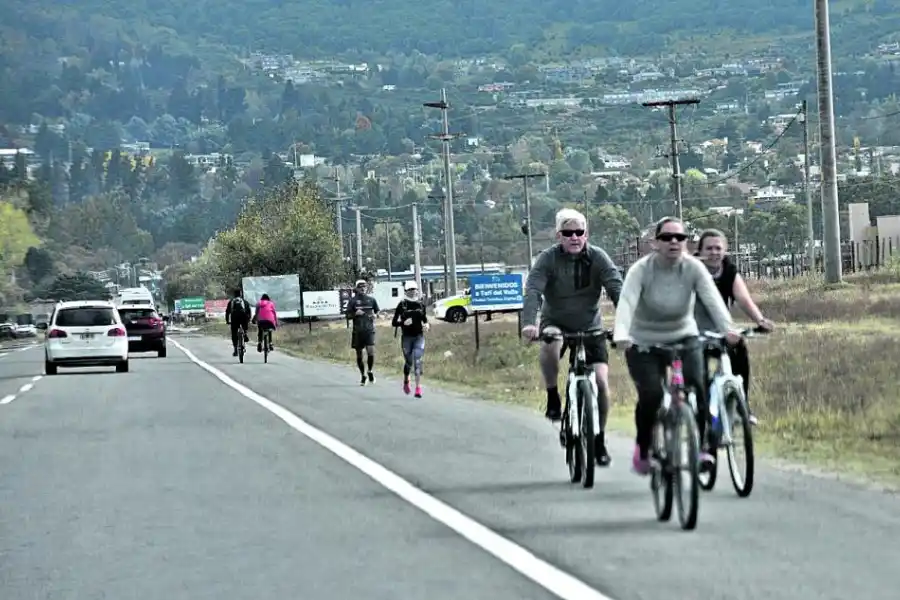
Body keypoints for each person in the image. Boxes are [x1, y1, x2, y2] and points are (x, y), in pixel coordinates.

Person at [612, 216, 741, 476]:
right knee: (652, 395)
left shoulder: (693, 268)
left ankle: (704, 447)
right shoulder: (641, 270)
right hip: (644, 341)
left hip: (684, 336)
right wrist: (621, 334)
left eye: (679, 237)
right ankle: (645, 446)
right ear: (655, 243)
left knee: (698, 385)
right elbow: (626, 302)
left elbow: (713, 299)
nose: (674, 242)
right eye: (667, 237)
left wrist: (728, 329)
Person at [522, 208, 623, 467]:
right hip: (556, 322)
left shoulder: (598, 257)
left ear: (586, 234)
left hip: (591, 326)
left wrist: (626, 321)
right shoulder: (548, 259)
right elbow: (533, 290)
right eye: (568, 233)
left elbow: (615, 287)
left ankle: (598, 440)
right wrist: (529, 324)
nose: (574, 237)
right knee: (550, 341)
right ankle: (553, 395)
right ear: (559, 236)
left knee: (601, 381)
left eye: (579, 232)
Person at [694, 229, 775, 426]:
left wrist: (760, 320)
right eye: (709, 248)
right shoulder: (692, 269)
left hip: (721, 328)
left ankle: (741, 405)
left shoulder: (729, 270)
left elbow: (744, 299)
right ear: (700, 251)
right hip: (694, 330)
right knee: (699, 372)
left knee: (739, 348)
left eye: (718, 248)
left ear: (726, 250)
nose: (714, 252)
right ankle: (701, 411)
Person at [392, 281, 429, 398]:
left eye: (415, 289)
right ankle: (406, 381)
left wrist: (427, 325)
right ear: (406, 291)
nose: (413, 291)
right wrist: (403, 322)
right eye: (411, 289)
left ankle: (418, 388)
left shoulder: (420, 304)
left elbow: (425, 319)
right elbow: (394, 322)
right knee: (409, 362)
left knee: (417, 360)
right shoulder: (402, 305)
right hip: (407, 337)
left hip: (419, 336)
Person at [345, 279, 380, 386]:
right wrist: (355, 313)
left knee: (370, 351)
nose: (363, 288)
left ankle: (370, 371)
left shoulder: (371, 300)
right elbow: (347, 316)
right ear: (356, 288)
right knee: (359, 354)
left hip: (369, 330)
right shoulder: (353, 301)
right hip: (358, 331)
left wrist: (376, 315)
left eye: (364, 286)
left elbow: (377, 311)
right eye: (360, 287)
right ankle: (363, 375)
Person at [224, 288, 251, 357]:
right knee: (245, 324)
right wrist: (248, 320)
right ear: (241, 294)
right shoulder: (244, 301)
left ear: (234, 295)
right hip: (243, 317)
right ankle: (245, 333)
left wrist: (227, 321)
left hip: (234, 318)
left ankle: (235, 349)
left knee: (234, 333)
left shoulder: (231, 302)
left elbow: (227, 312)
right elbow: (248, 312)